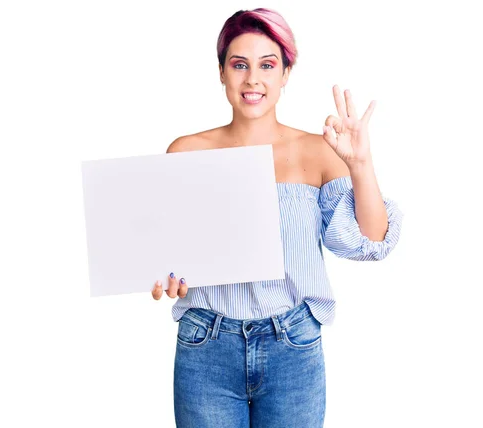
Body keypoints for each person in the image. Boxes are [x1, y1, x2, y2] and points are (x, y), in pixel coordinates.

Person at [151, 7, 403, 428]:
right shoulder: (186, 152)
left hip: (293, 348)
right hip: (206, 348)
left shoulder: (318, 152)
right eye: (239, 65)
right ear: (221, 72)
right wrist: (165, 273)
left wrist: (361, 164)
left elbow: (371, 241)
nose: (253, 79)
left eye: (267, 65)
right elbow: (164, 249)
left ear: (286, 73)